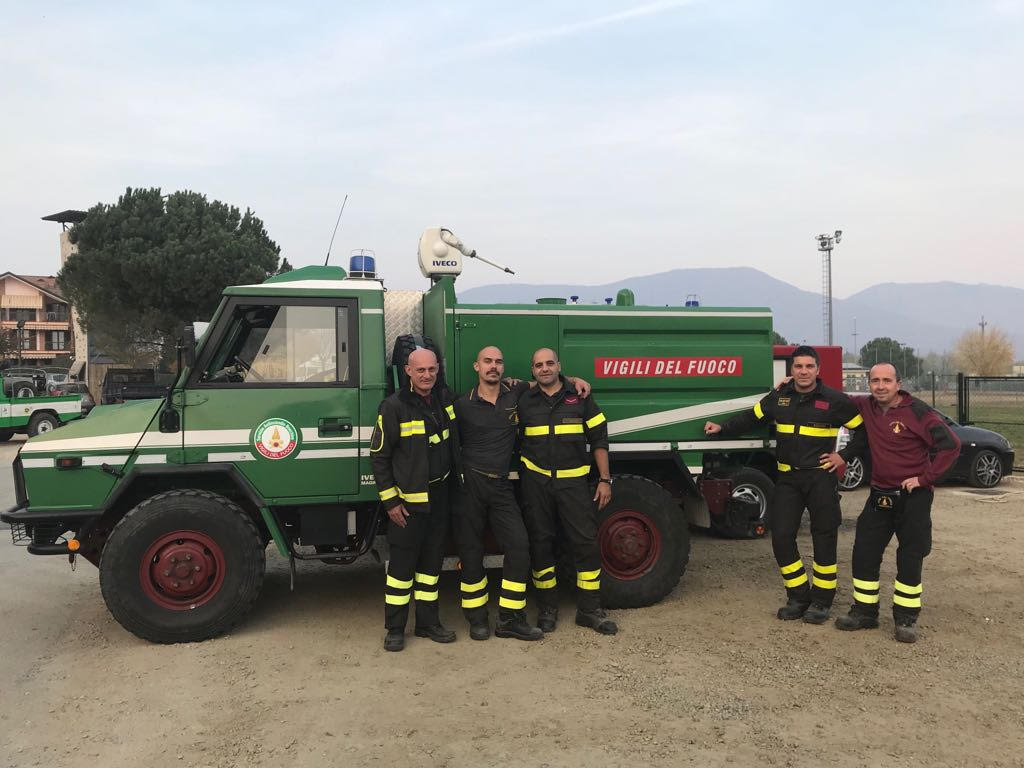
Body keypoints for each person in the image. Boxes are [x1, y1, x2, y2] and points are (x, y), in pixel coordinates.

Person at [704, 345, 867, 624]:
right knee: (780, 537)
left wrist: (843, 456)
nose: (803, 372)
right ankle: (798, 595)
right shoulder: (779, 397)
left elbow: (862, 433)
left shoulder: (835, 400)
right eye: (798, 367)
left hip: (820, 479)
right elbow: (751, 418)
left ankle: (822, 601)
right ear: (791, 370)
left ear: (818, 370)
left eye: (809, 367)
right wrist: (722, 428)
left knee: (823, 538)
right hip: (788, 480)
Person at [453, 346, 590, 642]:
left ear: (504, 369)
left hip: (502, 487)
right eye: (487, 361)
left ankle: (510, 619)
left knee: (519, 546)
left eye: (498, 362)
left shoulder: (516, 394)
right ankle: (477, 620)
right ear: (476, 366)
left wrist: (575, 380)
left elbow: (548, 380)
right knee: (471, 552)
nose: (493, 366)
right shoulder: (461, 404)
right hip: (471, 488)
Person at [834, 362, 960, 643]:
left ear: (898, 383)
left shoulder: (918, 413)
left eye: (886, 381)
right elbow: (835, 398)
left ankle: (905, 618)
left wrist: (925, 478)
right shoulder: (866, 406)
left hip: (913, 498)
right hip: (879, 494)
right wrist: (792, 384)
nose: (880, 386)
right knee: (864, 553)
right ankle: (865, 612)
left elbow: (951, 446)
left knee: (910, 556)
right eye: (875, 381)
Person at [518, 347, 617, 635]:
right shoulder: (524, 399)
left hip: (574, 484)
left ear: (558, 366)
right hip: (536, 484)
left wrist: (604, 479)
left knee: (585, 543)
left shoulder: (581, 396)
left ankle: (589, 610)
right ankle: (547, 609)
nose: (545, 368)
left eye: (550, 363)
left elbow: (599, 438)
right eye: (539, 365)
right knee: (541, 545)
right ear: (532, 371)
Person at [369, 348, 460, 652]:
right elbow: (379, 458)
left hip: (440, 498)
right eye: (420, 370)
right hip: (408, 504)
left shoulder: (445, 399)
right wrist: (391, 502)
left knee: (432, 566)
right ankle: (395, 629)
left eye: (432, 369)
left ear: (438, 370)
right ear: (407, 371)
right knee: (401, 571)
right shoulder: (393, 407)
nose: (427, 375)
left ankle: (427, 623)